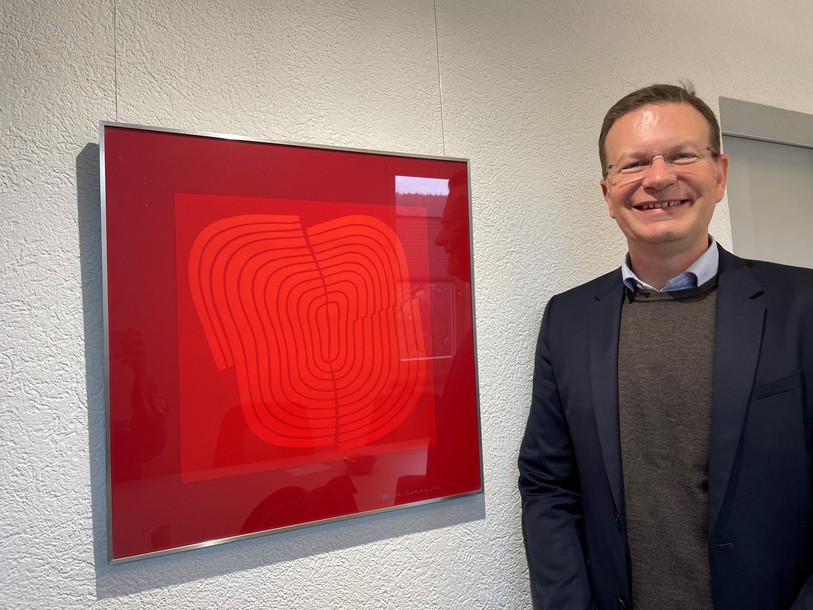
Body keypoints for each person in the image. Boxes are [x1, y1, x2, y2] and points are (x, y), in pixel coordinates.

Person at [517, 83, 813, 610]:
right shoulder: (568, 319)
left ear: (719, 175)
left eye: (681, 155)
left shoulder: (802, 306)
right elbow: (548, 484)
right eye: (632, 165)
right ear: (607, 195)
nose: (658, 178)